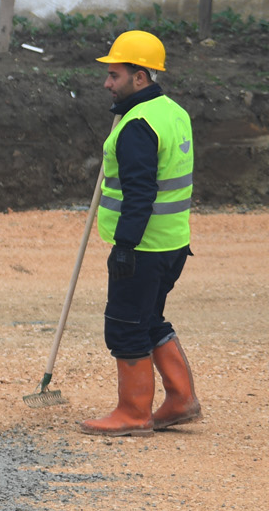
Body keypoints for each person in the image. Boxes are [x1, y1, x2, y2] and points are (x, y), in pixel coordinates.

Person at [80, 30, 200, 436]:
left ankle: (133, 413)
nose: (107, 83)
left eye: (114, 76)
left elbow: (140, 193)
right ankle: (181, 400)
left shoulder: (136, 125)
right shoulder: (173, 112)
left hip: (143, 247)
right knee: (149, 319)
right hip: (173, 244)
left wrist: (125, 246)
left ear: (140, 77)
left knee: (125, 324)